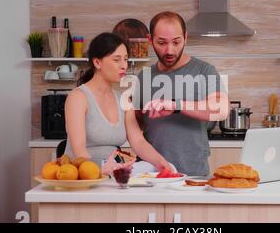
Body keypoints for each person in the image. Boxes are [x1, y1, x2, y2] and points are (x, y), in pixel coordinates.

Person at [132, 11, 229, 176]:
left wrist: (175, 105)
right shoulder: (144, 76)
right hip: (152, 175)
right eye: (161, 43)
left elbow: (221, 109)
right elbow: (137, 124)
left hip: (194, 173)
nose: (169, 50)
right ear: (150, 40)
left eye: (176, 42)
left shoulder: (204, 70)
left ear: (185, 37)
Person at [64, 32, 173, 175]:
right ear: (97, 62)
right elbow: (79, 150)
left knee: (154, 167)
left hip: (113, 173)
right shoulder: (78, 97)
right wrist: (99, 172)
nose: (124, 66)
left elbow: (138, 141)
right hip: (83, 175)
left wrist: (160, 162)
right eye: (117, 60)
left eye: (126, 59)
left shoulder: (123, 100)